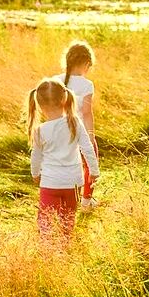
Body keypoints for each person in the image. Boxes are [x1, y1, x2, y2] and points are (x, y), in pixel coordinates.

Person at [26, 78, 99, 244]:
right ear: (64, 99)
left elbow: (35, 157)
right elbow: (87, 148)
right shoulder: (75, 122)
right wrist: (94, 171)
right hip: (74, 182)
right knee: (68, 218)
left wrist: (35, 174)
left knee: (46, 219)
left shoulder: (40, 130)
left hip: (50, 182)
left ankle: (47, 250)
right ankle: (65, 247)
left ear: (38, 104)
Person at [54, 41, 99, 208]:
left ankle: (62, 197)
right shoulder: (86, 84)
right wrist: (91, 136)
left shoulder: (56, 80)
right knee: (89, 162)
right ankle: (86, 199)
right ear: (87, 63)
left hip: (59, 132)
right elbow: (87, 113)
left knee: (64, 164)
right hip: (79, 132)